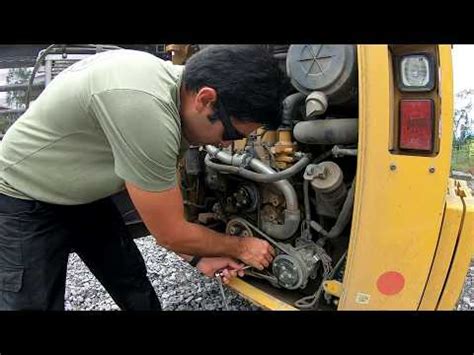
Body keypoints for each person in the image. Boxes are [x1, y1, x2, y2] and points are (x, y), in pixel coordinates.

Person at [0, 45, 289, 310]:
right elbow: (170, 232)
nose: (228, 145)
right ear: (205, 99)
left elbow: (161, 202)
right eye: (233, 134)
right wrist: (242, 247)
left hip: (79, 192)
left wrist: (198, 255)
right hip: (24, 193)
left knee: (128, 276)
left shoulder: (178, 92)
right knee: (32, 302)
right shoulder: (145, 108)